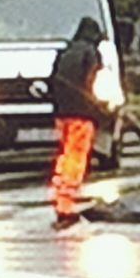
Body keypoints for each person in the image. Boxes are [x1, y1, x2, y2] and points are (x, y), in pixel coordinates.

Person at [48, 17, 107, 229]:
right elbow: (92, 82)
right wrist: (99, 107)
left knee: (64, 157)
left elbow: (52, 82)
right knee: (76, 159)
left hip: (62, 113)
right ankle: (66, 207)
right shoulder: (90, 53)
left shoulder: (65, 52)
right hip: (82, 114)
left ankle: (60, 201)